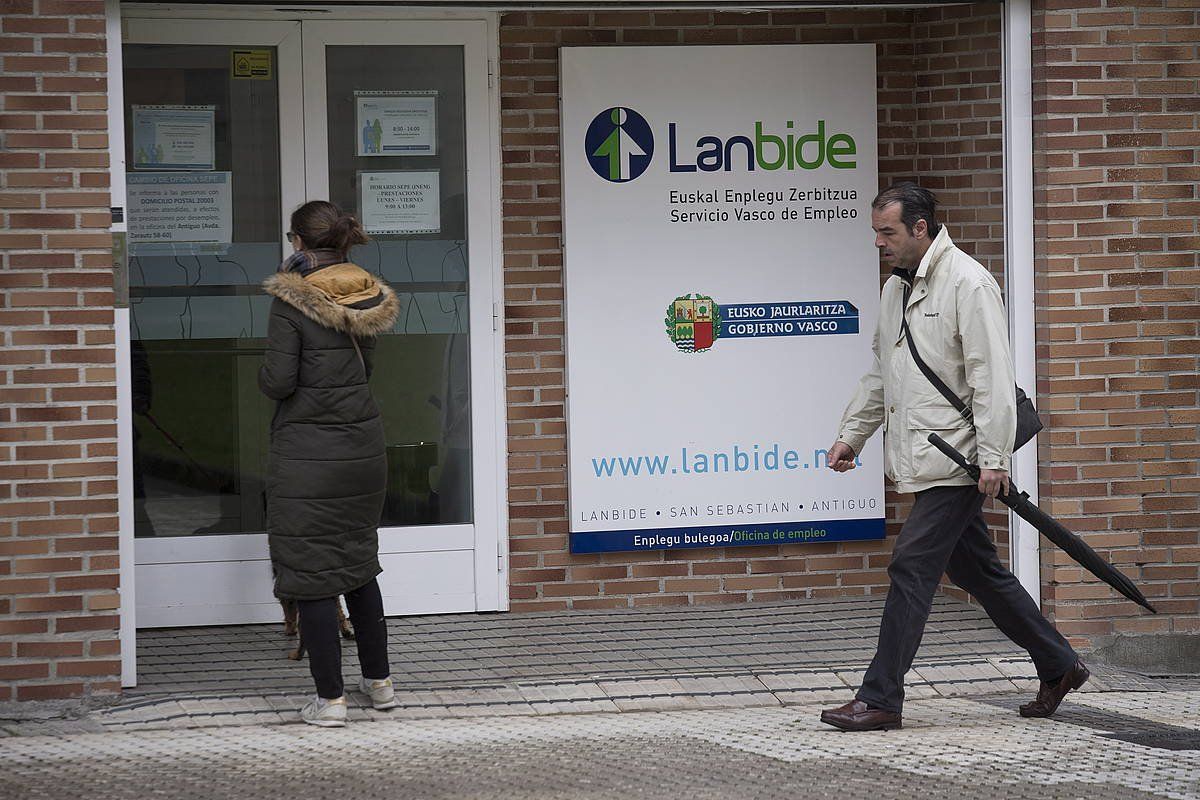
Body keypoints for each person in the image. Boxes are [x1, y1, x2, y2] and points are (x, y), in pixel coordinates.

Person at [819, 183, 1087, 732]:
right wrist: (854, 434)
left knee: (911, 565)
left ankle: (880, 699)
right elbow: (883, 373)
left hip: (959, 459)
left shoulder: (969, 283)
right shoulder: (896, 289)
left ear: (920, 228)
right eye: (875, 232)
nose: (878, 243)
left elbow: (991, 378)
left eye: (887, 232)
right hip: (928, 454)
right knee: (981, 572)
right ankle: (1059, 664)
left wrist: (994, 458)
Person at [259, 200, 401, 727]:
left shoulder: (290, 301)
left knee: (315, 574)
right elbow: (366, 371)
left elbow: (278, 381)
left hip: (309, 456)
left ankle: (329, 701)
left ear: (298, 243)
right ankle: (380, 685)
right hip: (363, 449)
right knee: (359, 566)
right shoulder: (364, 292)